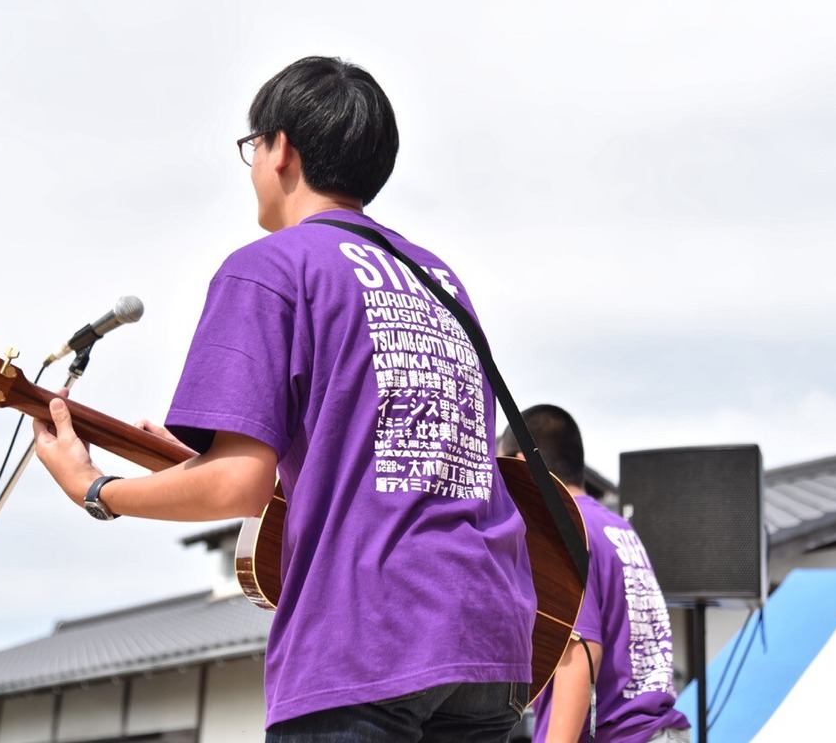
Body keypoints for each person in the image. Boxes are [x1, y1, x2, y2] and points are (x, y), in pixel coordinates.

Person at [34, 55, 536, 742]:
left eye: (253, 144)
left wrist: (97, 488)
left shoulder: (270, 266)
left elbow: (239, 486)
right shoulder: (440, 281)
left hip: (367, 639)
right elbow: (389, 451)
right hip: (490, 639)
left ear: (282, 150)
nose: (251, 166)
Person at [498, 405, 690, 743]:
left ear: (522, 462)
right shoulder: (616, 527)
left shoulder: (566, 529)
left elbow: (582, 653)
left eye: (502, 468)